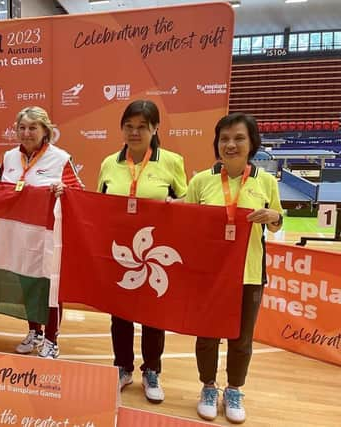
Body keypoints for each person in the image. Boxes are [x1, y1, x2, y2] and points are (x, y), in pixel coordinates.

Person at [186, 112, 282, 424]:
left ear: (252, 143)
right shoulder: (201, 181)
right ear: (217, 143)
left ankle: (235, 389)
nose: (231, 144)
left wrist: (273, 218)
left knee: (242, 339)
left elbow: (279, 222)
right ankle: (209, 387)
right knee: (208, 336)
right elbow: (184, 224)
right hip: (210, 276)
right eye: (224, 138)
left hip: (249, 274)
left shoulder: (266, 181)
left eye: (239, 138)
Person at [97, 99, 187, 404]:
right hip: (120, 252)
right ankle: (122, 367)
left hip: (155, 252)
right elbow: (100, 205)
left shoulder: (172, 161)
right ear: (122, 128)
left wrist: (178, 207)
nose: (134, 133)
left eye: (142, 127)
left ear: (155, 128)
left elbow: (186, 204)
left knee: (153, 315)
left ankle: (152, 370)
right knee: (120, 314)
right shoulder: (110, 163)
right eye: (129, 126)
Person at [1, 106, 83, 359]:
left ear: (45, 130)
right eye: (22, 127)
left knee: (50, 287)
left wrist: (65, 192)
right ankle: (34, 331)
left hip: (49, 236)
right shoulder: (9, 157)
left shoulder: (60, 158)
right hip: (20, 233)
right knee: (28, 285)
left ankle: (51, 339)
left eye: (33, 127)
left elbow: (80, 193)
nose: (27, 133)